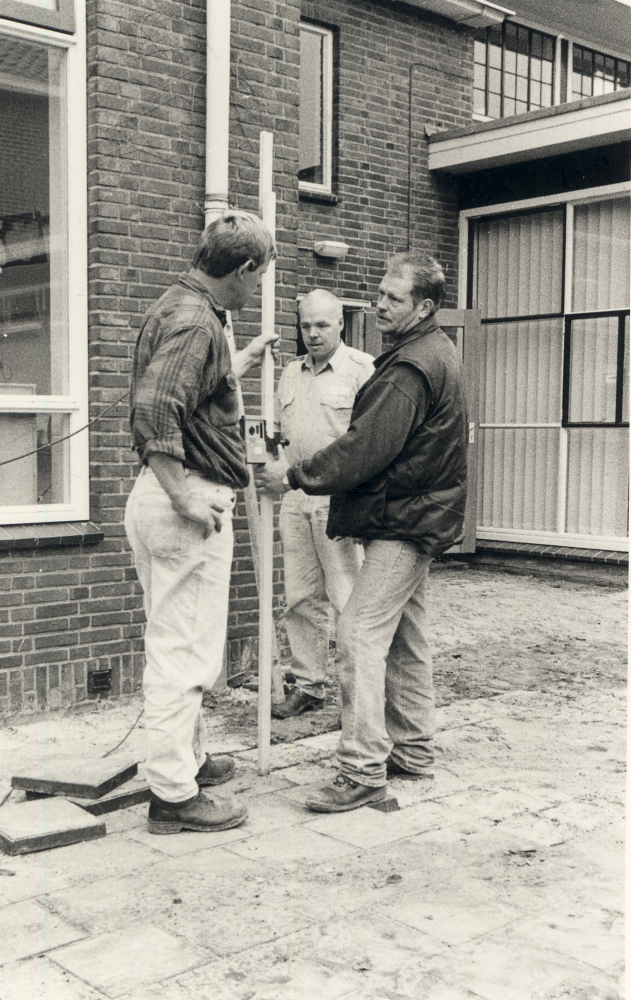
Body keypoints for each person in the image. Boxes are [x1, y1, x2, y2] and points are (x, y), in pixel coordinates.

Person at [257, 251, 468, 812]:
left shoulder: (407, 368)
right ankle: (414, 750)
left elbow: (364, 449)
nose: (378, 305)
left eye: (393, 298)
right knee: (405, 635)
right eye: (378, 294)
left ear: (423, 306)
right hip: (416, 516)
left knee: (356, 634)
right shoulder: (431, 352)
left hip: (404, 521)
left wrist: (296, 476)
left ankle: (362, 768)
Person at [125, 210, 278, 834]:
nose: (256, 288)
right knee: (182, 653)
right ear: (242, 268)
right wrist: (187, 495)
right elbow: (157, 407)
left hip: (159, 499)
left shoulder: (180, 305)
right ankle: (171, 794)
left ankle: (187, 759)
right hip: (184, 502)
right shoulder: (196, 321)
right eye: (258, 276)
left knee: (179, 641)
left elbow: (193, 387)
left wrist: (237, 358)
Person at [272, 289, 375, 718]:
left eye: (322, 325)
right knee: (300, 596)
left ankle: (359, 691)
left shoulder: (362, 370)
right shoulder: (290, 373)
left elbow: (368, 441)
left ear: (340, 325)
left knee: (347, 595)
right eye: (306, 326)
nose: (312, 334)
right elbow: (279, 433)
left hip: (339, 499)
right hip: (295, 497)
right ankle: (309, 684)